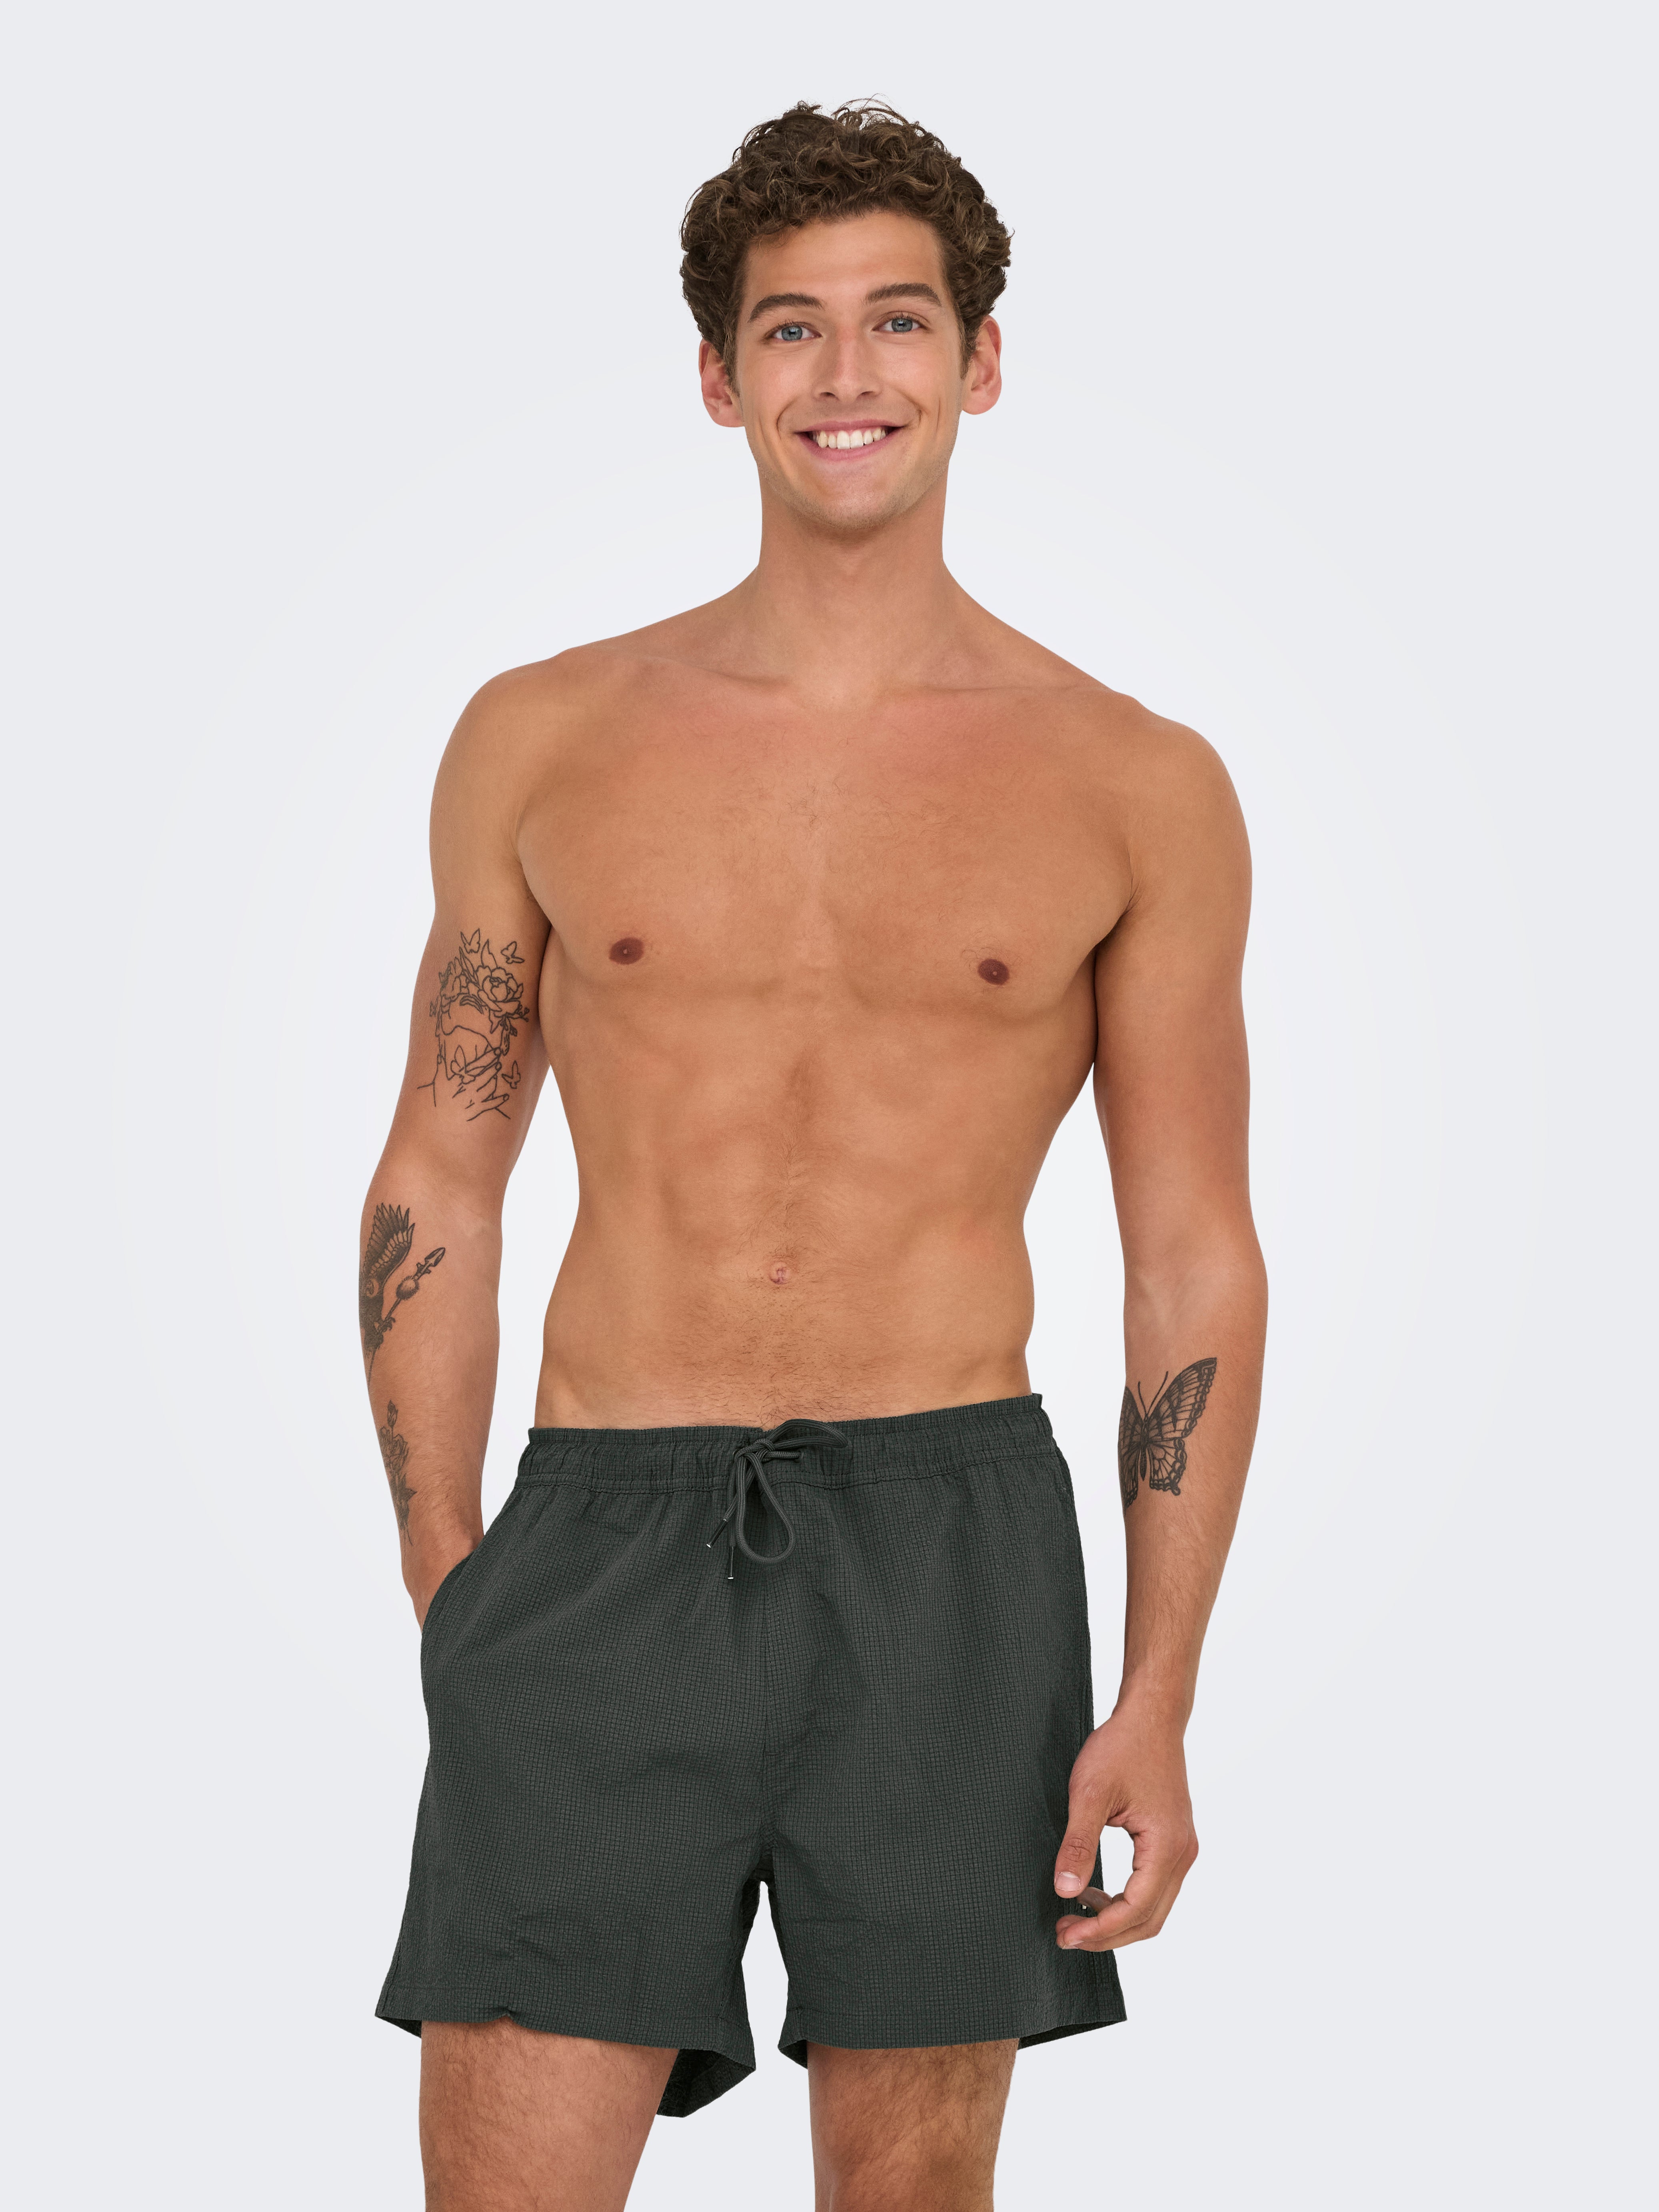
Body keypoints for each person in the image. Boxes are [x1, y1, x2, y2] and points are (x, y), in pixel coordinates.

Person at [362, 100, 1267, 2212]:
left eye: (897, 321)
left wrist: (1155, 1692)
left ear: (980, 360)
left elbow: (1190, 1259)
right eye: (790, 328)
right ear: (718, 376)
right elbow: (439, 1178)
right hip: (599, 1531)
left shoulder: (1135, 782)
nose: (846, 374)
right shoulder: (543, 735)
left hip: (948, 1547)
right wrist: (448, 1583)